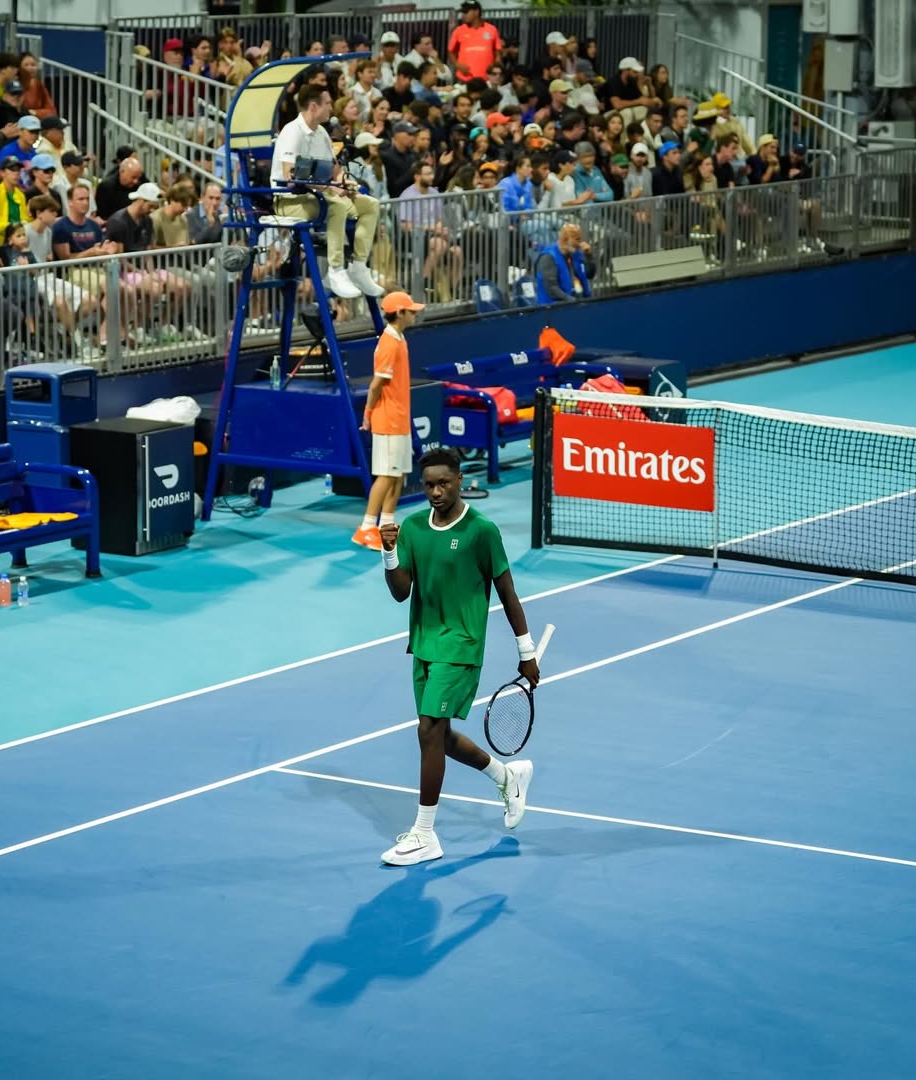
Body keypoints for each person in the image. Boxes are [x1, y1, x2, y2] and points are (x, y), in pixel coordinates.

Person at [378, 446, 539, 866]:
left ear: (459, 479)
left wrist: (527, 652)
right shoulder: (412, 527)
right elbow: (400, 592)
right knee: (438, 736)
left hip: (462, 645)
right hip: (424, 645)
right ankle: (506, 776)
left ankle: (425, 834)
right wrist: (389, 552)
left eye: (443, 483)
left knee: (429, 730)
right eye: (429, 484)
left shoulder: (482, 531)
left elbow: (507, 593)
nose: (435, 491)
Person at [271, 83, 382, 300]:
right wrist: (328, 187)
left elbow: (335, 169)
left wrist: (344, 182)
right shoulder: (291, 132)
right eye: (328, 103)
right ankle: (335, 271)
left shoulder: (321, 132)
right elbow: (289, 176)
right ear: (314, 106)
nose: (332, 108)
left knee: (370, 204)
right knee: (337, 206)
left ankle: (359, 267)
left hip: (321, 196)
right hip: (290, 201)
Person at [351, 290, 423, 550]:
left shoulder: (399, 339)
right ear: (399, 314)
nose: (415, 314)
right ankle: (366, 528)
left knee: (397, 476)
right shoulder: (389, 344)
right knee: (384, 475)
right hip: (388, 419)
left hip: (400, 418)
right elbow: (376, 385)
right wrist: (368, 414)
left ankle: (386, 526)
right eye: (411, 310)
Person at [448, 1, 502, 82]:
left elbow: (498, 52)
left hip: (486, 79)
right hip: (465, 78)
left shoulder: (491, 30)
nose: (463, 15)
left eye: (466, 12)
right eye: (462, 13)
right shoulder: (459, 30)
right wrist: (458, 65)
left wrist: (495, 70)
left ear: (476, 12)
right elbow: (451, 51)